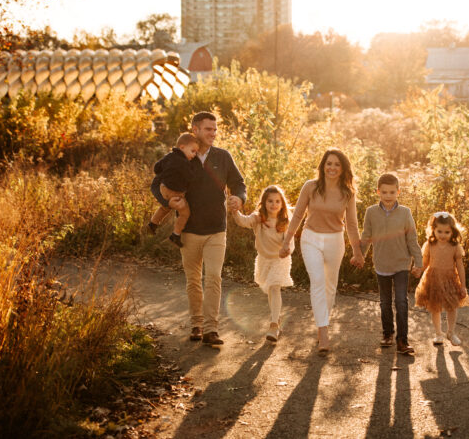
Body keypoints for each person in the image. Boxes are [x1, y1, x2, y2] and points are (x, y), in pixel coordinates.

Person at [151, 111, 246, 346]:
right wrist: (165, 203)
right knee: (193, 280)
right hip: (189, 230)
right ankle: (197, 325)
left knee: (214, 277)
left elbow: (238, 183)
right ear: (195, 130)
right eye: (208, 129)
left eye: (215, 129)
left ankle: (211, 330)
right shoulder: (179, 157)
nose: (213, 133)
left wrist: (239, 198)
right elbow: (156, 184)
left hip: (216, 229)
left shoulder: (223, 157)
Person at [280, 148, 365, 355]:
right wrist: (287, 242)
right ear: (323, 166)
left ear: (343, 168)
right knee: (317, 281)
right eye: (329, 163)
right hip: (311, 239)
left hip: (335, 240)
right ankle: (323, 331)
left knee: (330, 286)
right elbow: (298, 215)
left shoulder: (348, 192)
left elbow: (352, 224)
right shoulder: (311, 187)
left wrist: (357, 251)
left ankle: (322, 322)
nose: (332, 167)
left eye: (337, 164)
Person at [360, 173, 422, 355]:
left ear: (398, 192)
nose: (388, 196)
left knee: (401, 302)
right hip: (381, 264)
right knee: (385, 302)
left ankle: (402, 340)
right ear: (378, 192)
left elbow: (412, 238)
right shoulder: (371, 212)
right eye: (384, 192)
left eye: (392, 192)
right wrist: (360, 255)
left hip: (402, 264)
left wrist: (418, 262)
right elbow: (366, 236)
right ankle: (388, 333)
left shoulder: (405, 213)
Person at [232, 185, 295, 342]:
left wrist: (287, 249)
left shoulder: (286, 220)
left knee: (274, 287)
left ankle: (274, 326)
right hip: (264, 259)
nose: (274, 204)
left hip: (280, 259)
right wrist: (235, 210)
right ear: (264, 203)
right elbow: (242, 221)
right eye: (270, 201)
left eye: (277, 201)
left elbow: (290, 241)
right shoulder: (258, 218)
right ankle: (276, 318)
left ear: (282, 204)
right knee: (269, 290)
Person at [414, 211, 469, 347]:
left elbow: (460, 267)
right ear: (433, 230)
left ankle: (451, 332)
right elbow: (425, 262)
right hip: (433, 279)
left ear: (453, 232)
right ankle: (438, 334)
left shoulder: (455, 246)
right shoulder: (430, 244)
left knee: (452, 306)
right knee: (435, 307)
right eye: (439, 231)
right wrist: (418, 269)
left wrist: (463, 286)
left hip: (450, 279)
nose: (443, 235)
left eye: (447, 232)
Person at [147, 132, 200, 247]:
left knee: (165, 207)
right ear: (182, 147)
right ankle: (175, 235)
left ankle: (153, 223)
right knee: (185, 213)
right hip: (175, 192)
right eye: (193, 151)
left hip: (164, 188)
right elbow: (191, 178)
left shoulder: (169, 156)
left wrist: (165, 173)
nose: (195, 155)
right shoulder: (185, 163)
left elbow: (157, 167)